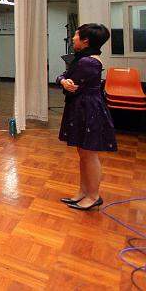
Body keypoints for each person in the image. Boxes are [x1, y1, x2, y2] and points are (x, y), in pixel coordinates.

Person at [57, 23, 117, 211]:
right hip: (82, 107)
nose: (73, 38)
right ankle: (83, 191)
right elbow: (64, 76)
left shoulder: (88, 62)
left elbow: (72, 84)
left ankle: (93, 196)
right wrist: (63, 80)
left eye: (76, 35)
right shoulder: (83, 58)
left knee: (89, 155)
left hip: (87, 109)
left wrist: (64, 81)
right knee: (83, 154)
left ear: (85, 41)